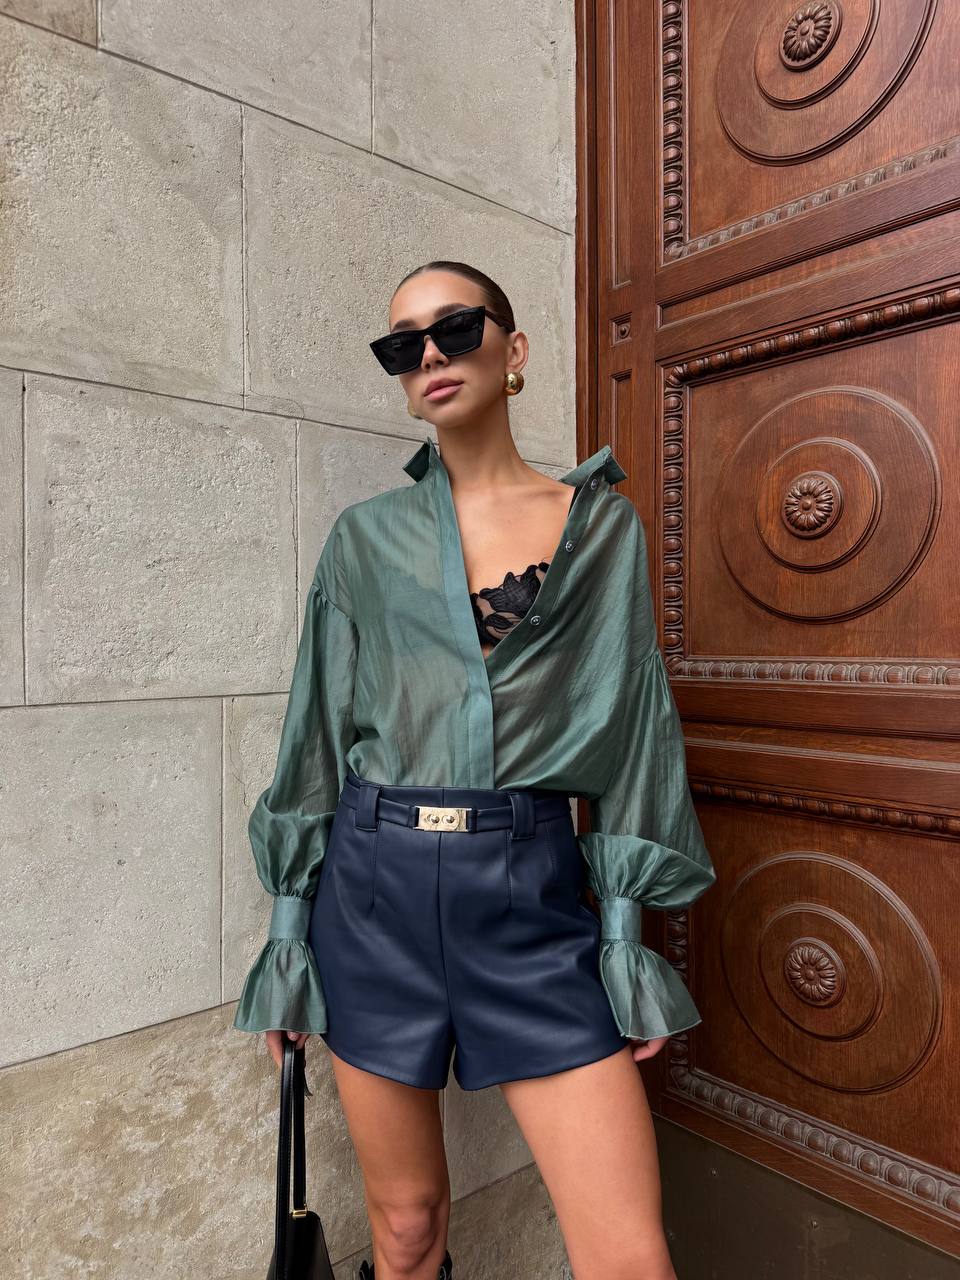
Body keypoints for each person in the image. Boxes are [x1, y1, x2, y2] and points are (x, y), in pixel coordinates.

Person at [233, 261, 717, 1280]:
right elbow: (314, 736)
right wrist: (287, 939)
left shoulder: (602, 532)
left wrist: (623, 943)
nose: (430, 358)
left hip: (529, 893)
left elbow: (632, 727)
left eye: (453, 328)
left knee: (629, 1254)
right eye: (402, 346)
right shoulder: (364, 540)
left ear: (515, 349)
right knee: (406, 1229)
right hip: (370, 898)